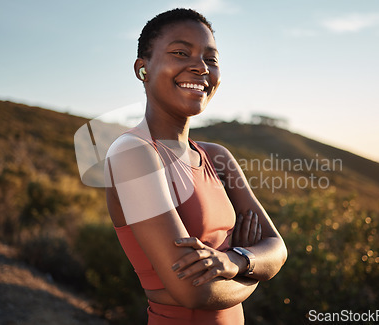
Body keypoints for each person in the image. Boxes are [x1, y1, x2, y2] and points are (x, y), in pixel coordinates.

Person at [104, 8, 287, 324]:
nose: (201, 67)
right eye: (180, 52)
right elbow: (194, 293)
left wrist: (234, 261)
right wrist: (254, 270)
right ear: (142, 68)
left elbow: (278, 249)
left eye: (211, 59)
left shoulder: (217, 156)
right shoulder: (133, 154)